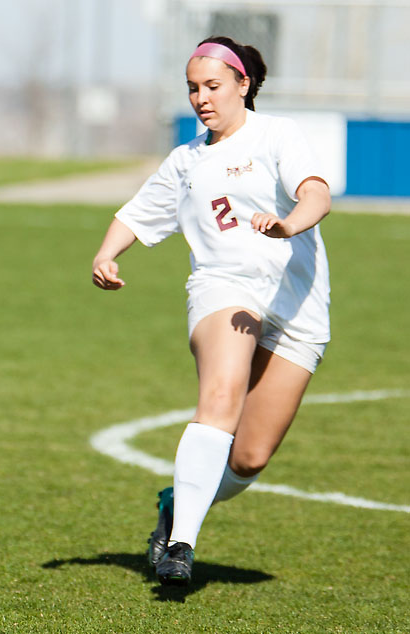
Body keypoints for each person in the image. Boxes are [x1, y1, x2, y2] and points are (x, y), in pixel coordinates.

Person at [91, 36, 331, 586]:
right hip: (223, 289)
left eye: (213, 86)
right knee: (220, 397)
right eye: (193, 88)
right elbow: (137, 214)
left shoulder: (278, 135)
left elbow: (315, 193)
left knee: (248, 459)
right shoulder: (186, 161)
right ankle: (181, 546)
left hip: (296, 307)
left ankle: (176, 504)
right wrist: (107, 252)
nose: (201, 98)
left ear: (244, 85)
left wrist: (289, 222)